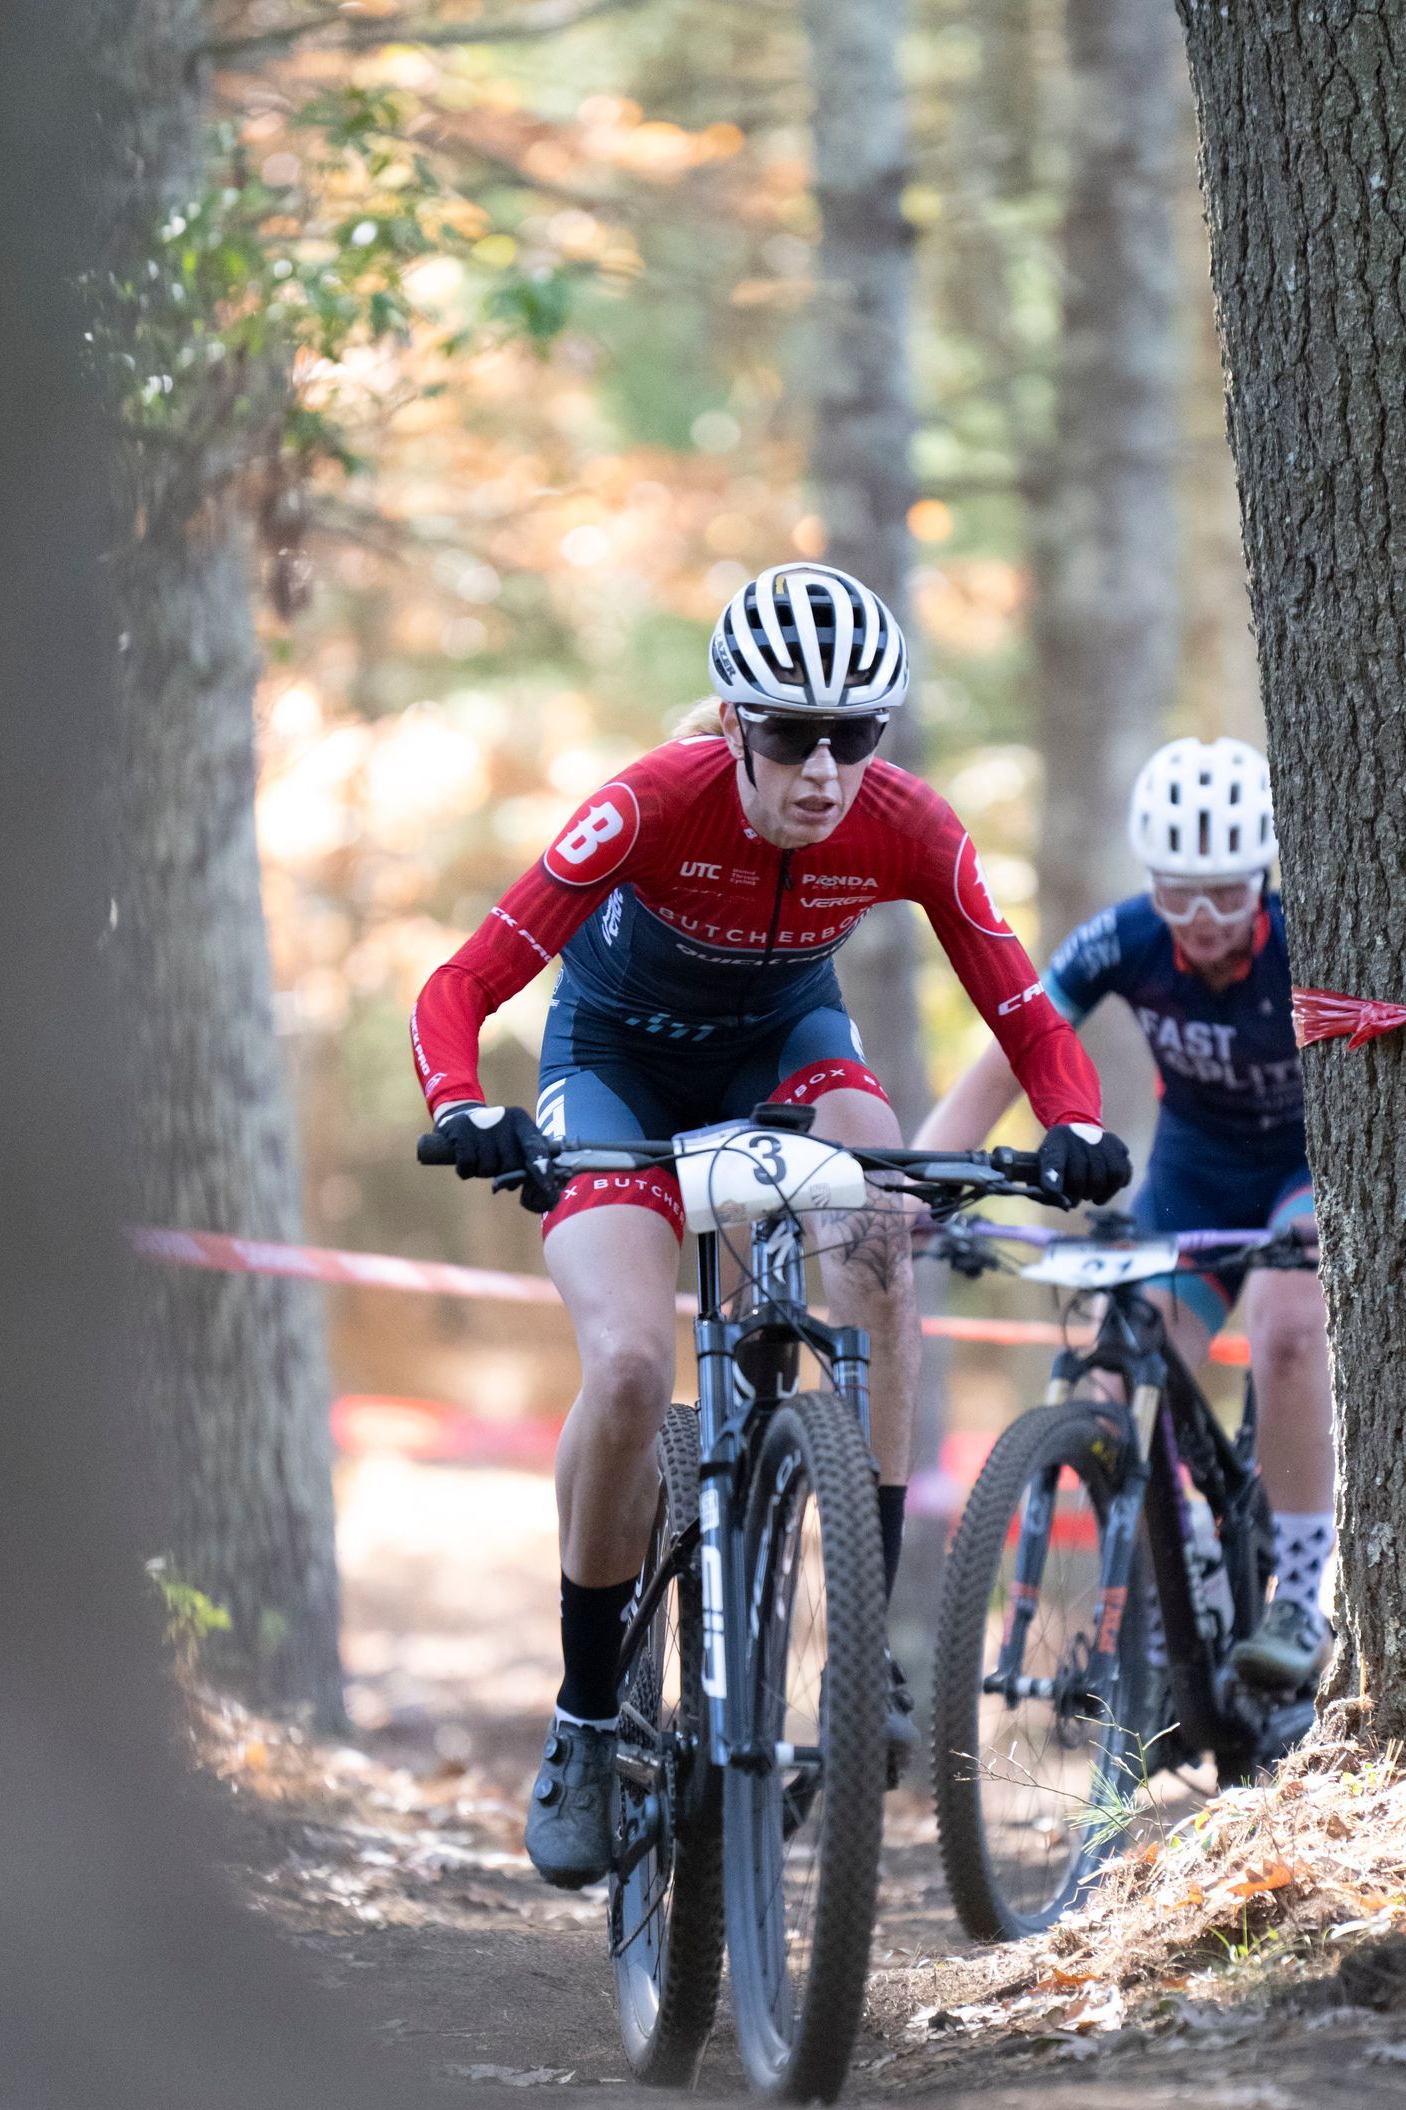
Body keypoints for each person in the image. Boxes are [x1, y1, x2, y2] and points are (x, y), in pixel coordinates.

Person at [411, 564, 1131, 1884]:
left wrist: (1073, 1119)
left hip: (787, 1053)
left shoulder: (909, 824)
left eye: (854, 736)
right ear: (735, 727)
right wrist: (461, 1101)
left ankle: (859, 1633)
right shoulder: (649, 801)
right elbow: (463, 981)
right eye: (792, 736)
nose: (823, 769)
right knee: (628, 1364)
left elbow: (1025, 1006)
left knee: (880, 1236)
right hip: (615, 1063)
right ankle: (583, 1719)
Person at [919, 734, 1334, 1694]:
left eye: (1225, 893)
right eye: (1176, 891)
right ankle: (1182, 1568)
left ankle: (1302, 1599)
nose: (1200, 918)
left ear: (1261, 878)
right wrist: (930, 1179)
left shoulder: (1311, 931)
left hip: (1304, 1171)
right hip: (1196, 1172)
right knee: (1116, 1382)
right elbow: (1017, 1047)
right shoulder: (1128, 939)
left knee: (1284, 1327)